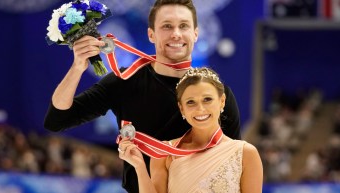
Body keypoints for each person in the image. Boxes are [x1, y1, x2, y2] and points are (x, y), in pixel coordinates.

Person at [44, 0, 241, 192]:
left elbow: (233, 167)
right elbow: (58, 119)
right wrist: (77, 67)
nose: (176, 34)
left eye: (184, 26)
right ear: (151, 35)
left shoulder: (216, 94)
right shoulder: (125, 81)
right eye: (166, 26)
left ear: (196, 34)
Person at [118, 67, 263, 193]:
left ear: (222, 101)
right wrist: (139, 167)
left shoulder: (245, 153)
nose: (200, 109)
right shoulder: (164, 153)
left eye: (207, 99)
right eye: (190, 102)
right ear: (182, 108)